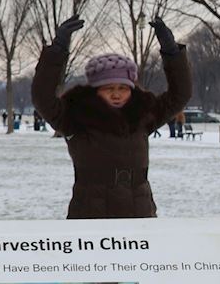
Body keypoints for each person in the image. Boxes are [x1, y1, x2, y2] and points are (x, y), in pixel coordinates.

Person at [31, 15, 192, 218]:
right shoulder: (75, 118)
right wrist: (57, 50)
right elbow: (42, 98)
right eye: (109, 88)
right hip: (90, 215)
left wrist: (172, 52)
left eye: (123, 88)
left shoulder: (143, 115)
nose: (116, 94)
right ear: (96, 90)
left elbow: (180, 95)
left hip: (139, 214)